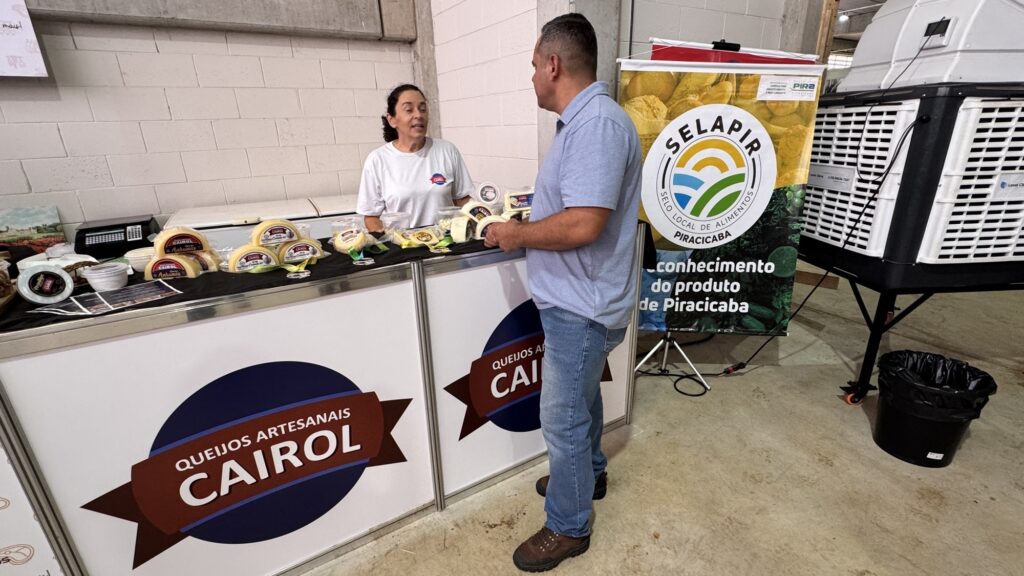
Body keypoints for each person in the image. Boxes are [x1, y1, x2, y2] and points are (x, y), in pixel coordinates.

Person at [483, 13, 642, 573]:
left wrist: (514, 233)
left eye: (532, 65)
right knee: (584, 400)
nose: (530, 76)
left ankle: (568, 526)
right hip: (581, 299)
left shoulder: (596, 124)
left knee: (562, 416)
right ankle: (589, 472)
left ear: (553, 64)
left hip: (583, 304)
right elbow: (577, 209)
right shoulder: (582, 123)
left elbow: (584, 225)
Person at [357, 84, 474, 232]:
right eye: (409, 109)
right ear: (392, 120)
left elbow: (463, 200)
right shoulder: (378, 160)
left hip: (447, 245)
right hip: (404, 249)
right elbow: (371, 217)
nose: (418, 115)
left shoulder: (447, 150)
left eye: (423, 109)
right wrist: (392, 243)